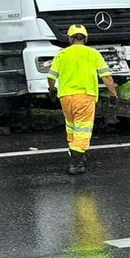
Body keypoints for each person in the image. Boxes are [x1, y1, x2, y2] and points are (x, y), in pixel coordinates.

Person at [47, 24, 118, 175]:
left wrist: (52, 91)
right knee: (83, 129)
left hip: (65, 96)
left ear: (70, 38)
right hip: (85, 96)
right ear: (85, 39)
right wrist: (113, 95)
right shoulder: (93, 54)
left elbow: (51, 77)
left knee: (72, 127)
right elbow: (106, 77)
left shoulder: (62, 54)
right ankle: (76, 163)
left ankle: (78, 156)